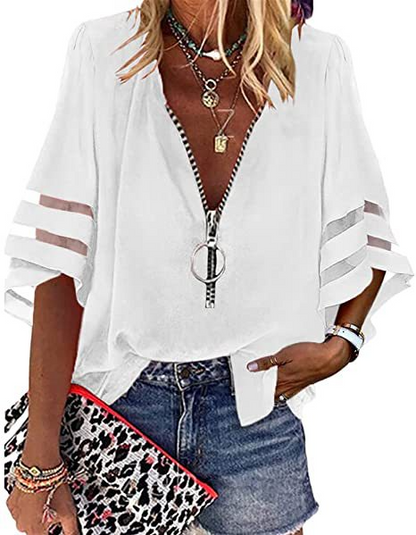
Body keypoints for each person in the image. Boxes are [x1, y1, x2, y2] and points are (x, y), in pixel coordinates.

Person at [4, 1, 413, 534]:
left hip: (254, 416)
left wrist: (344, 341)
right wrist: (39, 461)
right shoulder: (103, 53)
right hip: (120, 409)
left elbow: (364, 227)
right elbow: (61, 262)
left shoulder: (317, 60)